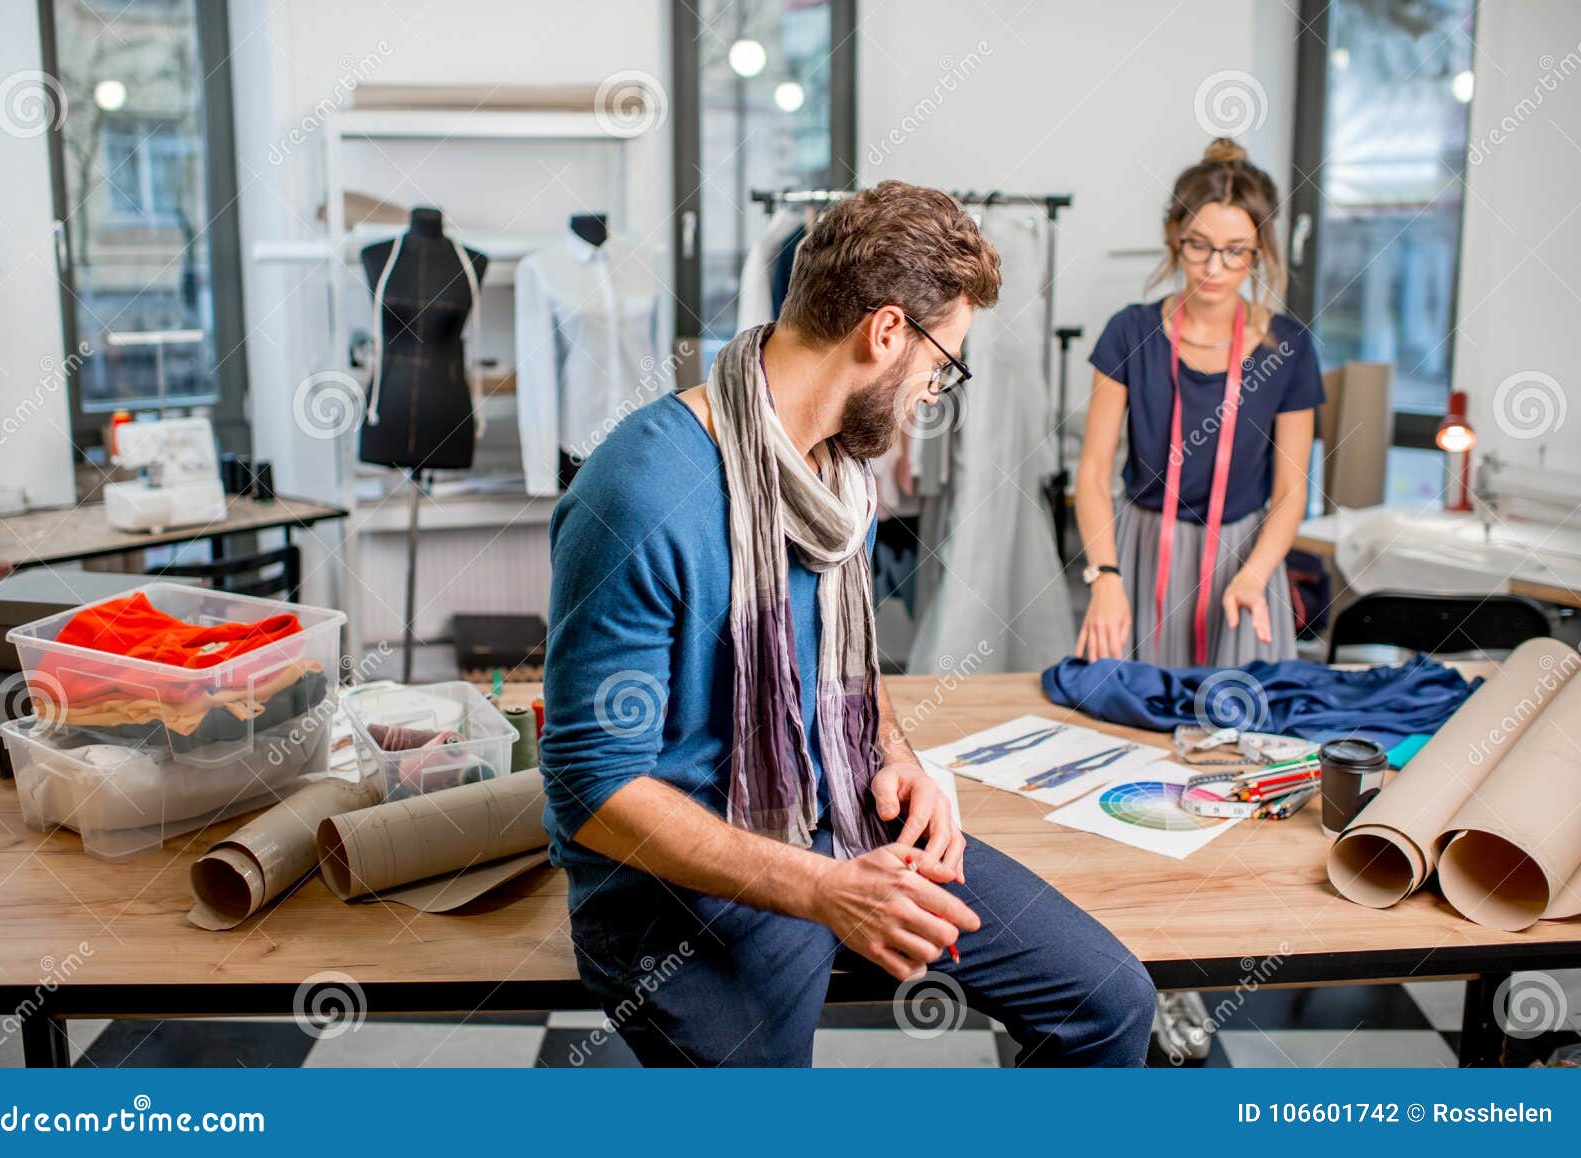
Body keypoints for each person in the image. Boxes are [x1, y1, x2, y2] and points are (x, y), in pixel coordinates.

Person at [541, 180, 1156, 1067]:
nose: (932, 395)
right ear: (887, 332)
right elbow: (592, 793)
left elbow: (842, 669)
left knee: (1109, 1002)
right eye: (943, 366)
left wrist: (894, 755)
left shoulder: (838, 477)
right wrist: (826, 889)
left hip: (831, 806)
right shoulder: (641, 492)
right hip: (672, 890)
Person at [1075, 137, 1324, 667]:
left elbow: (1290, 492)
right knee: (1130, 729)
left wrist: (1256, 575)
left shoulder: (1290, 347)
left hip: (1245, 562)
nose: (1214, 267)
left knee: (1240, 733)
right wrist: (1105, 578)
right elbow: (1094, 476)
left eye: (1236, 250)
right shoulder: (1128, 333)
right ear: (1174, 238)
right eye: (1198, 245)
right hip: (1139, 553)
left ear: (1260, 251)